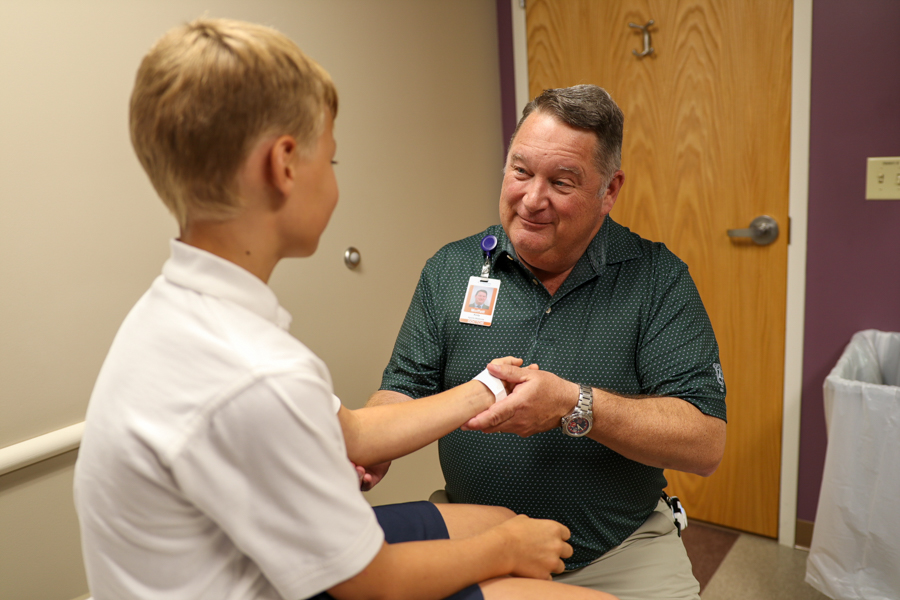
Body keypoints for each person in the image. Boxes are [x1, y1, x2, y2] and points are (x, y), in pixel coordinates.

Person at [72, 20, 618, 600]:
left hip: (232, 556)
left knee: (499, 519)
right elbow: (372, 584)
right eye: (329, 162)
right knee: (541, 563)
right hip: (295, 583)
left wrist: (488, 386)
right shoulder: (261, 372)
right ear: (284, 165)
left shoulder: (181, 312)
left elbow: (352, 432)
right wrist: (506, 552)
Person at [366, 85, 727, 600]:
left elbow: (705, 443)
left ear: (610, 190)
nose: (532, 200)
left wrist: (573, 406)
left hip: (618, 552)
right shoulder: (450, 270)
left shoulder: (657, 280)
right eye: (520, 171)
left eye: (561, 182)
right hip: (477, 537)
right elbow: (404, 387)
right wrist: (376, 442)